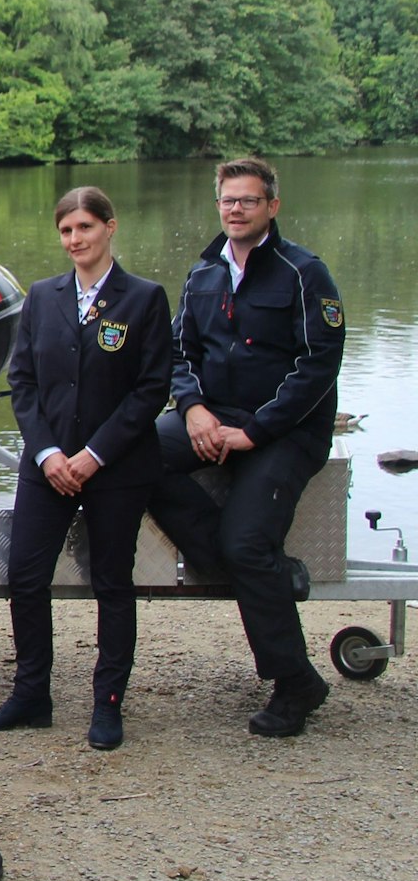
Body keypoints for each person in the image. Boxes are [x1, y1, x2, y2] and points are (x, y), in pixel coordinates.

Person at [148, 157, 345, 738]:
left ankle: (295, 684)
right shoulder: (202, 273)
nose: (236, 211)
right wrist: (195, 410)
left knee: (248, 542)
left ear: (272, 207)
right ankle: (222, 556)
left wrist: (255, 431)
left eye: (248, 201)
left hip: (284, 433)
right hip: (214, 419)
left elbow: (319, 367)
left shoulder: (305, 273)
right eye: (228, 202)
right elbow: (178, 355)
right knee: (134, 454)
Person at [0, 187, 172, 751]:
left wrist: (93, 455)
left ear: (110, 228)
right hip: (48, 465)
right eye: (67, 231)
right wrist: (47, 454)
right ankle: (32, 695)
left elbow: (150, 390)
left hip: (115, 467)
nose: (76, 240)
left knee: (112, 583)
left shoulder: (143, 298)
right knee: (25, 575)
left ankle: (107, 703)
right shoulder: (42, 297)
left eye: (86, 228)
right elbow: (22, 382)